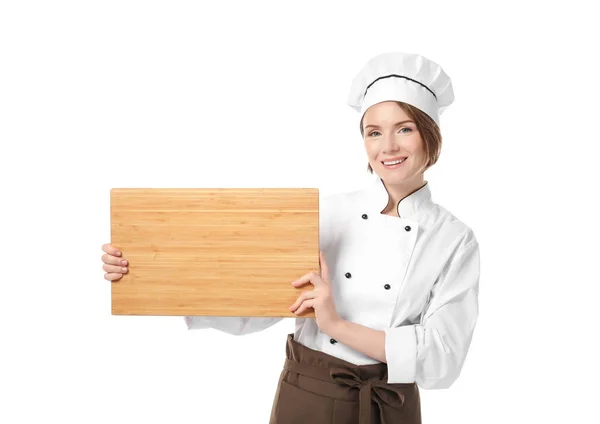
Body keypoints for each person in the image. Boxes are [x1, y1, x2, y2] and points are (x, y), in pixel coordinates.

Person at [101, 51, 481, 424]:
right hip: (308, 395)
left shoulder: (454, 240)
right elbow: (255, 303)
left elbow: (442, 359)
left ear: (429, 134)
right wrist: (143, 271)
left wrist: (336, 326)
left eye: (405, 128)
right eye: (374, 132)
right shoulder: (326, 213)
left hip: (388, 405)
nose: (389, 147)